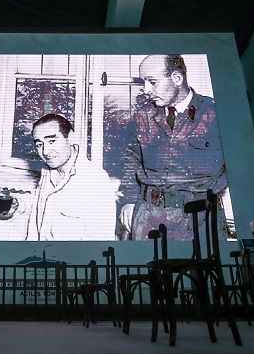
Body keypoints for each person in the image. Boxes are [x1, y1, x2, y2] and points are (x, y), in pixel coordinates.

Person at [118, 55, 227, 241]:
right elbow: (132, 160)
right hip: (148, 216)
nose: (146, 90)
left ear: (177, 78)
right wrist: (128, 201)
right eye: (144, 83)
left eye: (152, 82)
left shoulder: (214, 114)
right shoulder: (143, 116)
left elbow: (236, 167)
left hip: (200, 218)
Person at [25, 113, 118, 241]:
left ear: (71, 137)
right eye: (39, 144)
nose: (45, 151)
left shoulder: (95, 180)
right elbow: (34, 228)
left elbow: (100, 244)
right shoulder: (47, 171)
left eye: (52, 141)